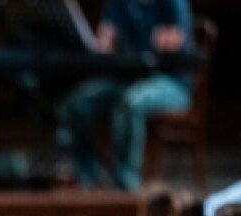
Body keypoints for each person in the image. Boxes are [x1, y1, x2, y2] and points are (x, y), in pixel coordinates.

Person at [55, 0, 195, 190]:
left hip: (169, 84)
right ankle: (87, 176)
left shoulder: (172, 3)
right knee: (76, 105)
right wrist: (98, 42)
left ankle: (125, 184)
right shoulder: (119, 3)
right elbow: (105, 41)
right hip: (126, 80)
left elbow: (171, 44)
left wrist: (140, 43)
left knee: (131, 102)